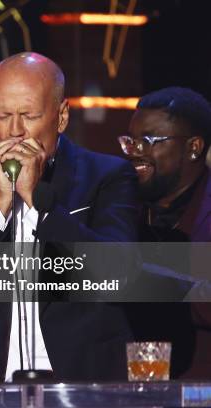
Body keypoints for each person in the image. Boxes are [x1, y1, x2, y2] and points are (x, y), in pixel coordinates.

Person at [0, 52, 140, 382]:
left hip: (83, 381)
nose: (15, 131)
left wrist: (38, 201)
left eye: (29, 115)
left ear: (61, 117)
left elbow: (120, 276)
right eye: (4, 115)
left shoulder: (106, 176)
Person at [120, 87, 211, 379]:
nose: (134, 151)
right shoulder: (121, 208)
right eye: (131, 141)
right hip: (134, 388)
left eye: (148, 141)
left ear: (194, 147)